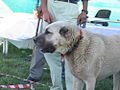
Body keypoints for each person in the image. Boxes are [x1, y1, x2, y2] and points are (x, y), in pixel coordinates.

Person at [27, 0, 88, 90]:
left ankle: (72, 88)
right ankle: (56, 87)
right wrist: (44, 9)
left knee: (71, 53)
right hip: (51, 6)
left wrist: (84, 11)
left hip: (70, 7)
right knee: (47, 48)